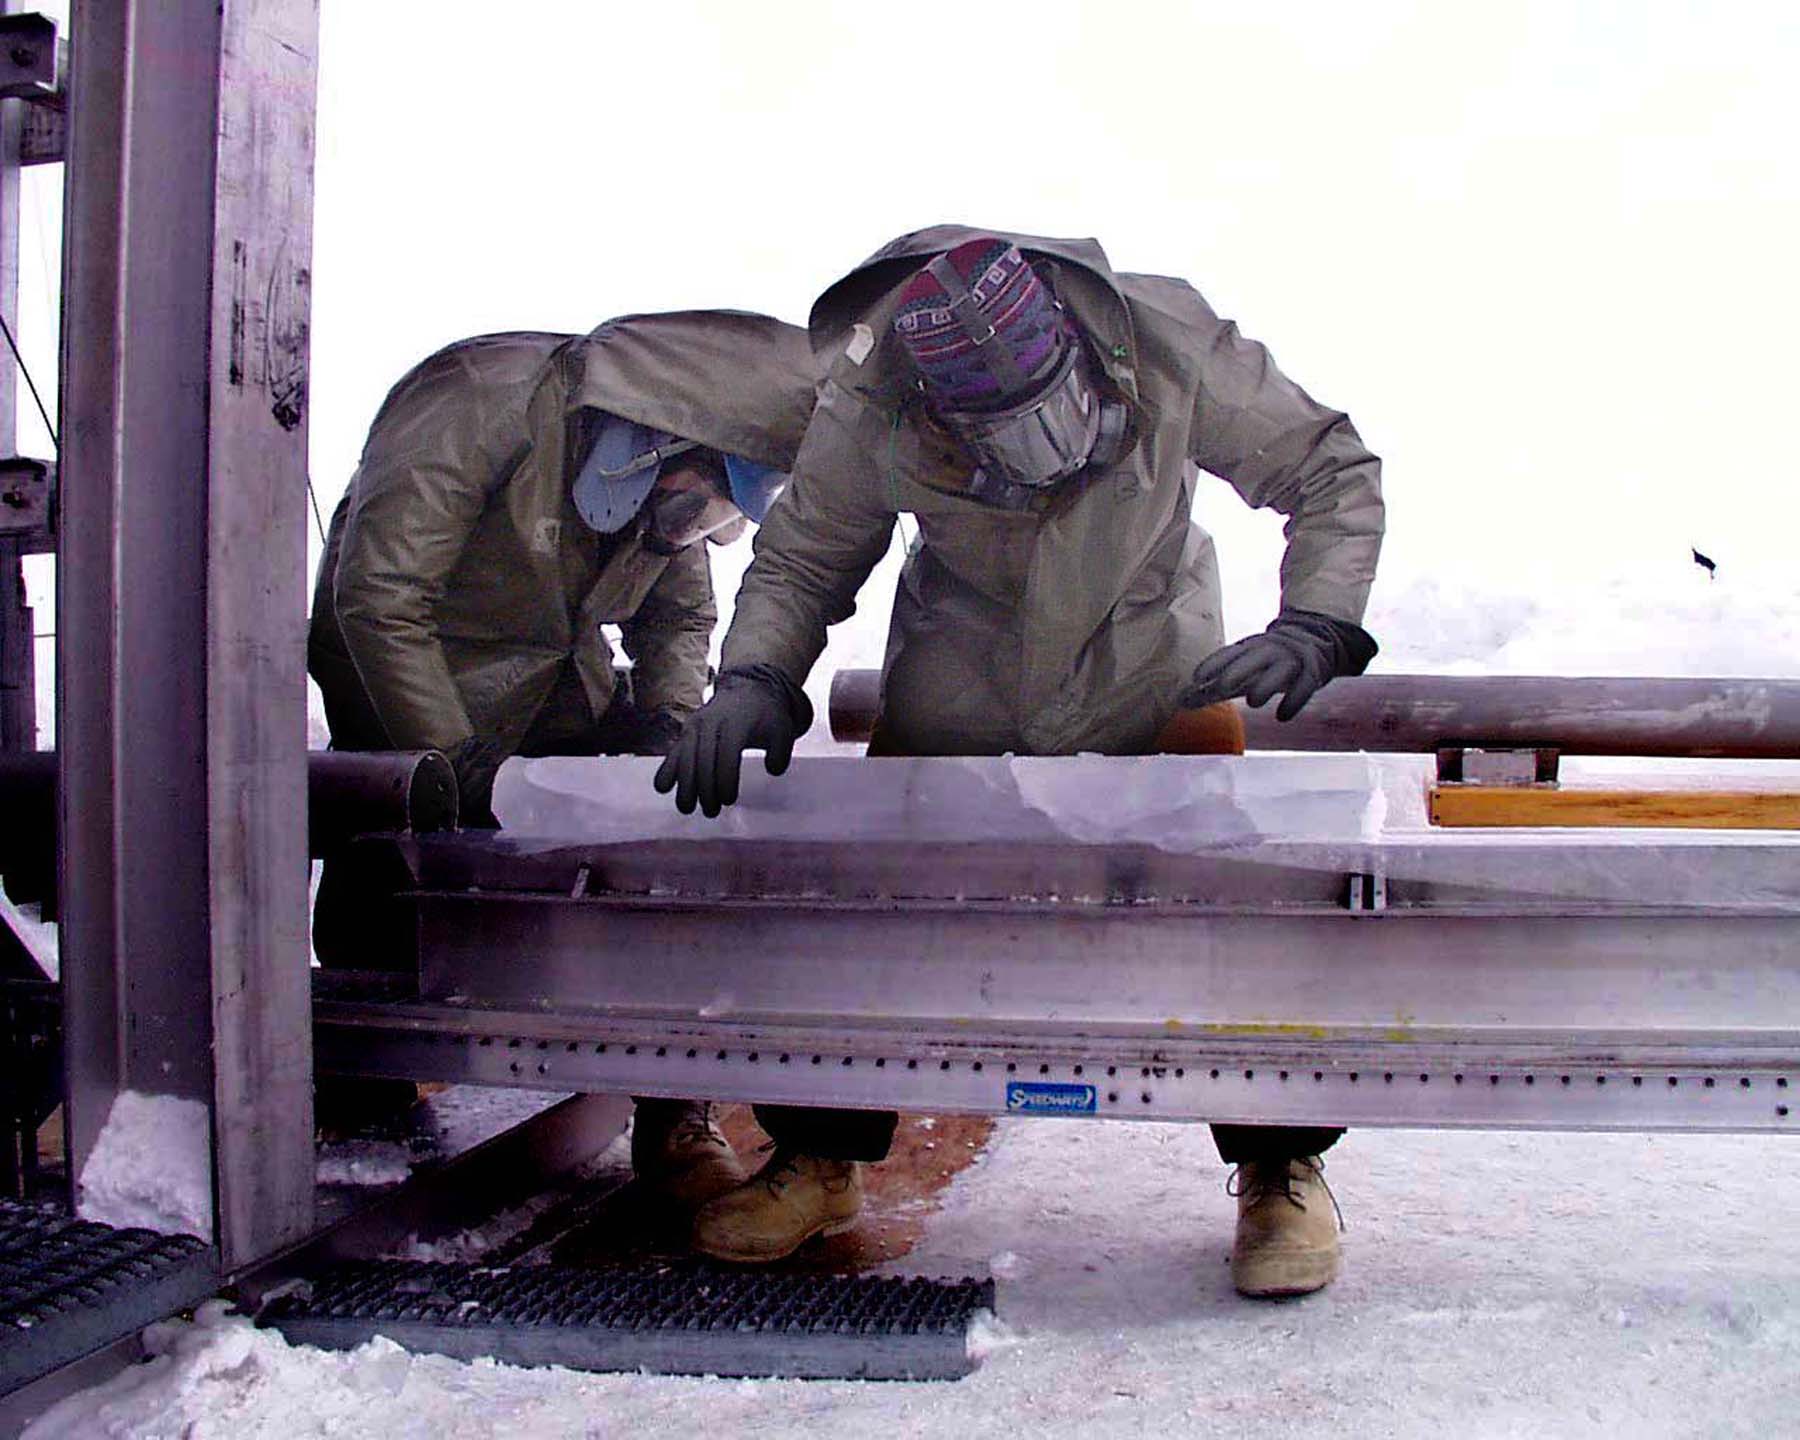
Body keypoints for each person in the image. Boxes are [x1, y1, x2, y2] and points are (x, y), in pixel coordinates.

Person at [655, 229, 1384, 1295]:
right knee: (869, 895)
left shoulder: (1166, 335)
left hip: (1155, 662)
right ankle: (819, 1156)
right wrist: (756, 677)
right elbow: (808, 550)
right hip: (963, 669)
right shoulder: (877, 399)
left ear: (1075, 350)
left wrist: (1318, 615)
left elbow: (1327, 464)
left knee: (1234, 899)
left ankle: (1283, 1161)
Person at [309, 311, 817, 1206]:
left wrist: (667, 726)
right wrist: (452, 762)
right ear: (659, 441)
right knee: (388, 861)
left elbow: (677, 615)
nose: (706, 522)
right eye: (712, 494)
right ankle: (362, 1090)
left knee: (669, 858)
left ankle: (674, 1104)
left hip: (555, 686)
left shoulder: (666, 506)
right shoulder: (479, 400)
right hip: (408, 680)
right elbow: (379, 594)